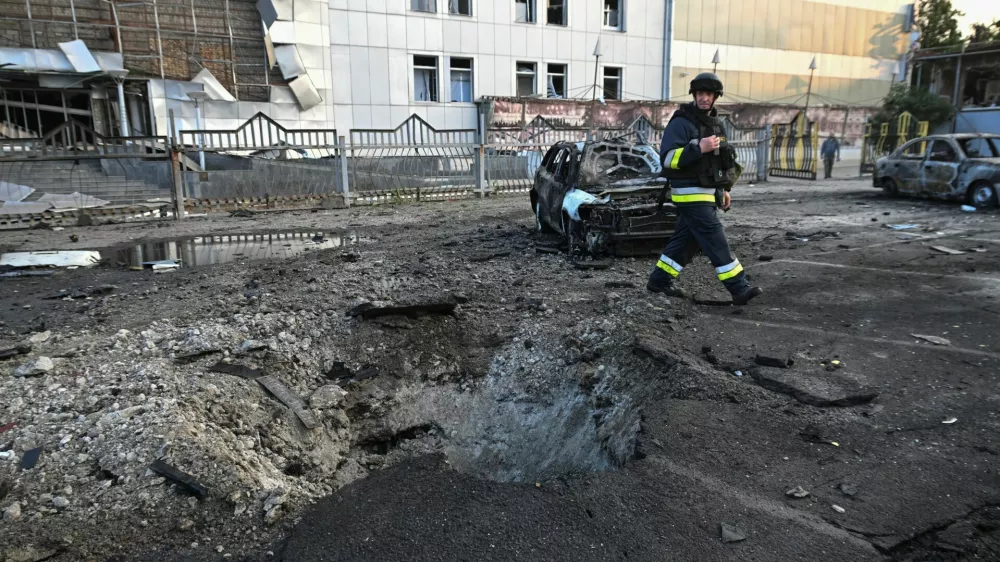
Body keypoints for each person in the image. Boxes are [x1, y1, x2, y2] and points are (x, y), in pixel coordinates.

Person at [646, 72, 762, 305]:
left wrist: (724, 189)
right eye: (700, 93)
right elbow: (667, 160)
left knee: (686, 243)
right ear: (694, 95)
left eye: (709, 94)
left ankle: (658, 282)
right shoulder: (680, 122)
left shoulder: (716, 125)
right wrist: (698, 148)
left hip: (709, 195)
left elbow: (721, 163)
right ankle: (738, 288)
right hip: (689, 196)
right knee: (716, 240)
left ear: (715, 97)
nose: (704, 98)